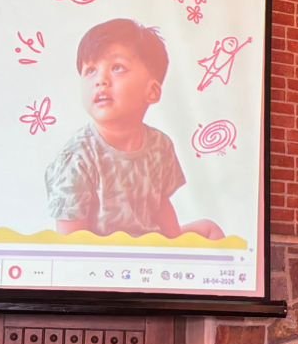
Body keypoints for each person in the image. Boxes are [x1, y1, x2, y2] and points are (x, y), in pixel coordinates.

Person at [45, 18, 222, 239]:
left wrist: (174, 244)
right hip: (104, 252)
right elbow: (71, 237)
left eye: (117, 68)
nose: (100, 80)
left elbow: (160, 204)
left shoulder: (160, 145)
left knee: (209, 228)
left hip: (149, 246)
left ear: (152, 91)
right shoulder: (77, 157)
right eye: (90, 70)